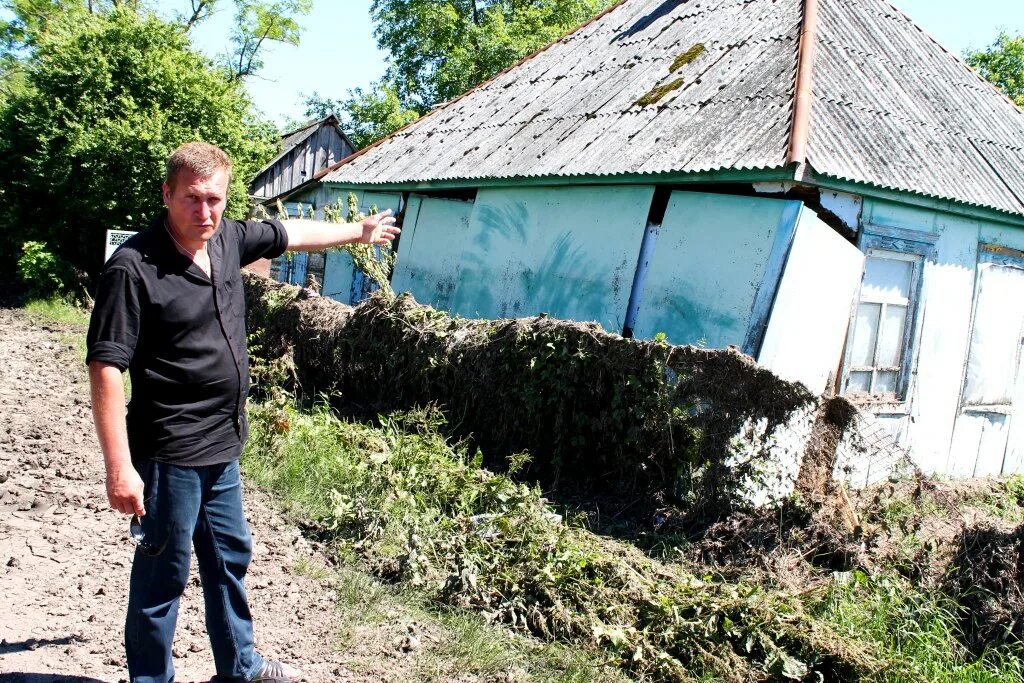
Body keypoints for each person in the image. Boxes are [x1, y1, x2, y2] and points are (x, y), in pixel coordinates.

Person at [86, 142, 399, 683]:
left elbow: (293, 233)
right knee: (164, 575)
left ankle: (240, 667)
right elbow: (106, 366)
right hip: (169, 451)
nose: (204, 212)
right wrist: (120, 467)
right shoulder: (134, 268)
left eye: (215, 200)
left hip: (223, 445)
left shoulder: (229, 239)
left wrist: (358, 232)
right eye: (192, 198)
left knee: (230, 560)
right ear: (167, 194)